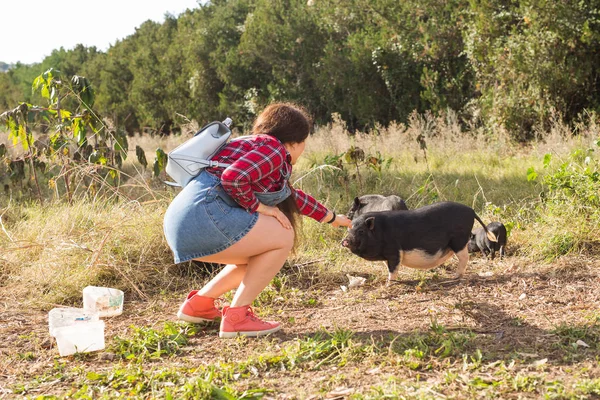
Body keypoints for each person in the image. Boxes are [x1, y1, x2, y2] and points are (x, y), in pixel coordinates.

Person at [163, 103, 352, 338]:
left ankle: (199, 305)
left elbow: (289, 195)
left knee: (257, 256)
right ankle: (237, 318)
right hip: (205, 217)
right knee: (283, 236)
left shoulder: (251, 147)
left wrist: (332, 218)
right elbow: (233, 178)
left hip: (182, 222)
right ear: (296, 141)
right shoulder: (274, 149)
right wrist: (261, 207)